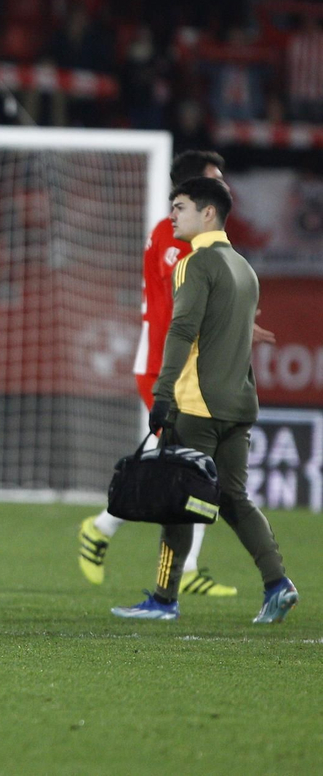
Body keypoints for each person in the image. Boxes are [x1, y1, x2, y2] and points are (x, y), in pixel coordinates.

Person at [79, 151, 270, 596]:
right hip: (165, 367)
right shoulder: (174, 238)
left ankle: (121, 539)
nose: (223, 187)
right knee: (186, 468)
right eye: (214, 180)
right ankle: (111, 534)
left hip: (182, 368)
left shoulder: (186, 238)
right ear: (196, 193)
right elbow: (186, 313)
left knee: (191, 466)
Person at [112, 178, 299, 624]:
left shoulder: (195, 265)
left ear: (207, 213)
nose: (172, 216)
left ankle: (162, 598)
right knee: (234, 498)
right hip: (238, 404)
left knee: (175, 499)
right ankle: (278, 583)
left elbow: (181, 332)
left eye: (180, 207)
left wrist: (162, 394)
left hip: (196, 405)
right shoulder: (244, 269)